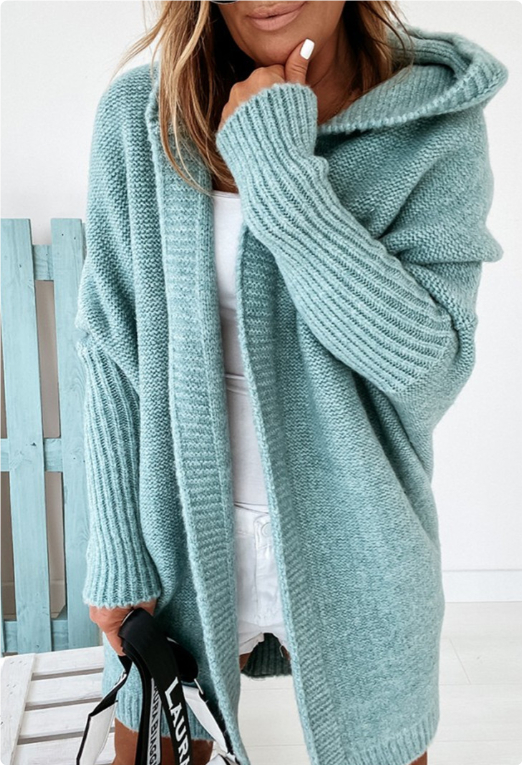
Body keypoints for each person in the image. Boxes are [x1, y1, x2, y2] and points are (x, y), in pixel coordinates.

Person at [75, 2, 508, 765]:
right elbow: (112, 347)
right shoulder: (140, 117)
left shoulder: (432, 123)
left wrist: (279, 174)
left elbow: (428, 370)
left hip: (365, 549)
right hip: (178, 548)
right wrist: (117, 547)